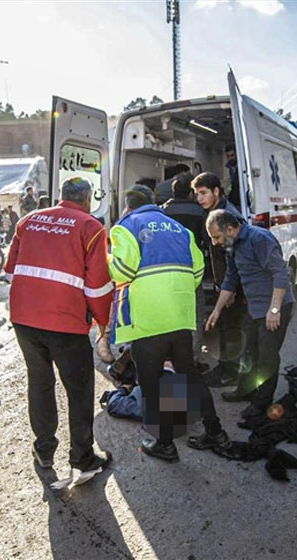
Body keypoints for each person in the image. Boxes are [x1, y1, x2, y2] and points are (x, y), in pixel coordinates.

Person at [4, 176, 113, 484]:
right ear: (88, 199)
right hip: (66, 323)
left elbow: (11, 270)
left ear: (60, 196)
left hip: (25, 320)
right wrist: (102, 322)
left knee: (39, 383)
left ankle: (44, 450)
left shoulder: (27, 221)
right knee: (78, 391)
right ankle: (82, 458)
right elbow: (97, 286)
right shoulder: (91, 227)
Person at [108, 184, 228, 463]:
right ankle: (215, 432)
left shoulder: (125, 227)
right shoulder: (178, 229)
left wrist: (107, 261)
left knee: (149, 384)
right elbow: (198, 271)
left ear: (128, 206)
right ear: (155, 204)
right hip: (180, 317)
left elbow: (122, 271)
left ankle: (164, 444)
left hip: (149, 320)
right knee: (190, 377)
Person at [205, 209, 295, 419]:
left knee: (267, 357)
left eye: (216, 237)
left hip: (275, 306)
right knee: (248, 351)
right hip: (255, 308)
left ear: (230, 229)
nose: (216, 243)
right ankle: (245, 391)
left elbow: (280, 273)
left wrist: (274, 309)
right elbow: (230, 278)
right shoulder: (232, 245)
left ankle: (262, 403)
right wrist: (217, 310)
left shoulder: (259, 239)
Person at [193, 172, 246, 390]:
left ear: (216, 191)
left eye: (203, 193)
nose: (199, 198)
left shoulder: (227, 217)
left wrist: (230, 288)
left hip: (232, 283)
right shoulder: (213, 212)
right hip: (223, 281)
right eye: (197, 194)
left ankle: (230, 372)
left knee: (231, 327)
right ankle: (226, 368)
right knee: (225, 326)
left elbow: (234, 257)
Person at [162, 171, 207, 363]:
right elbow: (208, 243)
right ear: (191, 193)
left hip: (165, 273)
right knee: (195, 317)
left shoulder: (161, 211)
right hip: (191, 272)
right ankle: (193, 359)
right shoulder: (200, 212)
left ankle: (169, 358)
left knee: (169, 315)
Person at [224, 144, 241, 210]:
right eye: (228, 156)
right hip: (231, 200)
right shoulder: (226, 168)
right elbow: (227, 185)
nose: (230, 158)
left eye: (232, 155)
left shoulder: (242, 167)